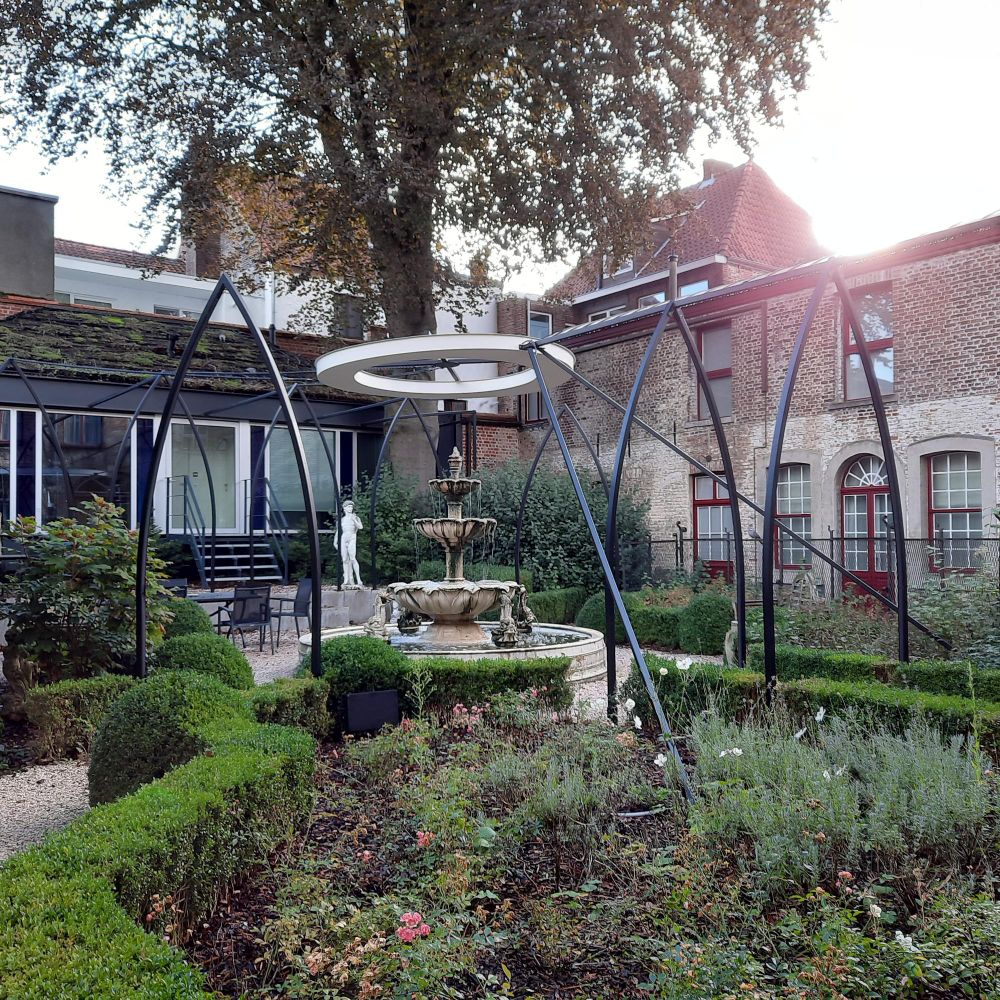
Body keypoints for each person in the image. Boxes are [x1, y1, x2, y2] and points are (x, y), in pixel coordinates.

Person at [340, 500, 364, 588]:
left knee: (353, 558)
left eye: (351, 507)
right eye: (349, 507)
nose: (351, 508)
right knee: (345, 559)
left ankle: (358, 579)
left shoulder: (355, 517)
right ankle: (346, 579)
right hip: (344, 538)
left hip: (352, 537)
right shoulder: (342, 519)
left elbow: (360, 527)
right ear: (344, 508)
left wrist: (354, 520)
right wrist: (335, 541)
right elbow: (339, 531)